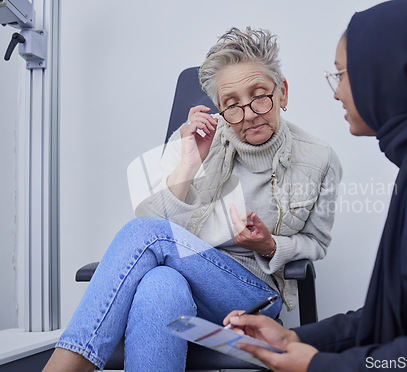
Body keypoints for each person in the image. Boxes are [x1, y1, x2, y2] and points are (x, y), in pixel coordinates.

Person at [43, 27, 341, 371]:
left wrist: (270, 245)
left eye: (260, 96)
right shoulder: (197, 139)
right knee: (160, 284)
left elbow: (315, 243)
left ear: (283, 92)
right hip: (184, 281)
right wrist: (188, 162)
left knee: (146, 234)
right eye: (232, 105)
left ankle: (67, 364)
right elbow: (151, 218)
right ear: (219, 107)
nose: (248, 114)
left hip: (254, 293)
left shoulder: (319, 158)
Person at [223, 1, 407, 371]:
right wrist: (297, 339)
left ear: (383, 73)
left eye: (341, 74)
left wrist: (317, 366)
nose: (336, 91)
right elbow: (396, 311)